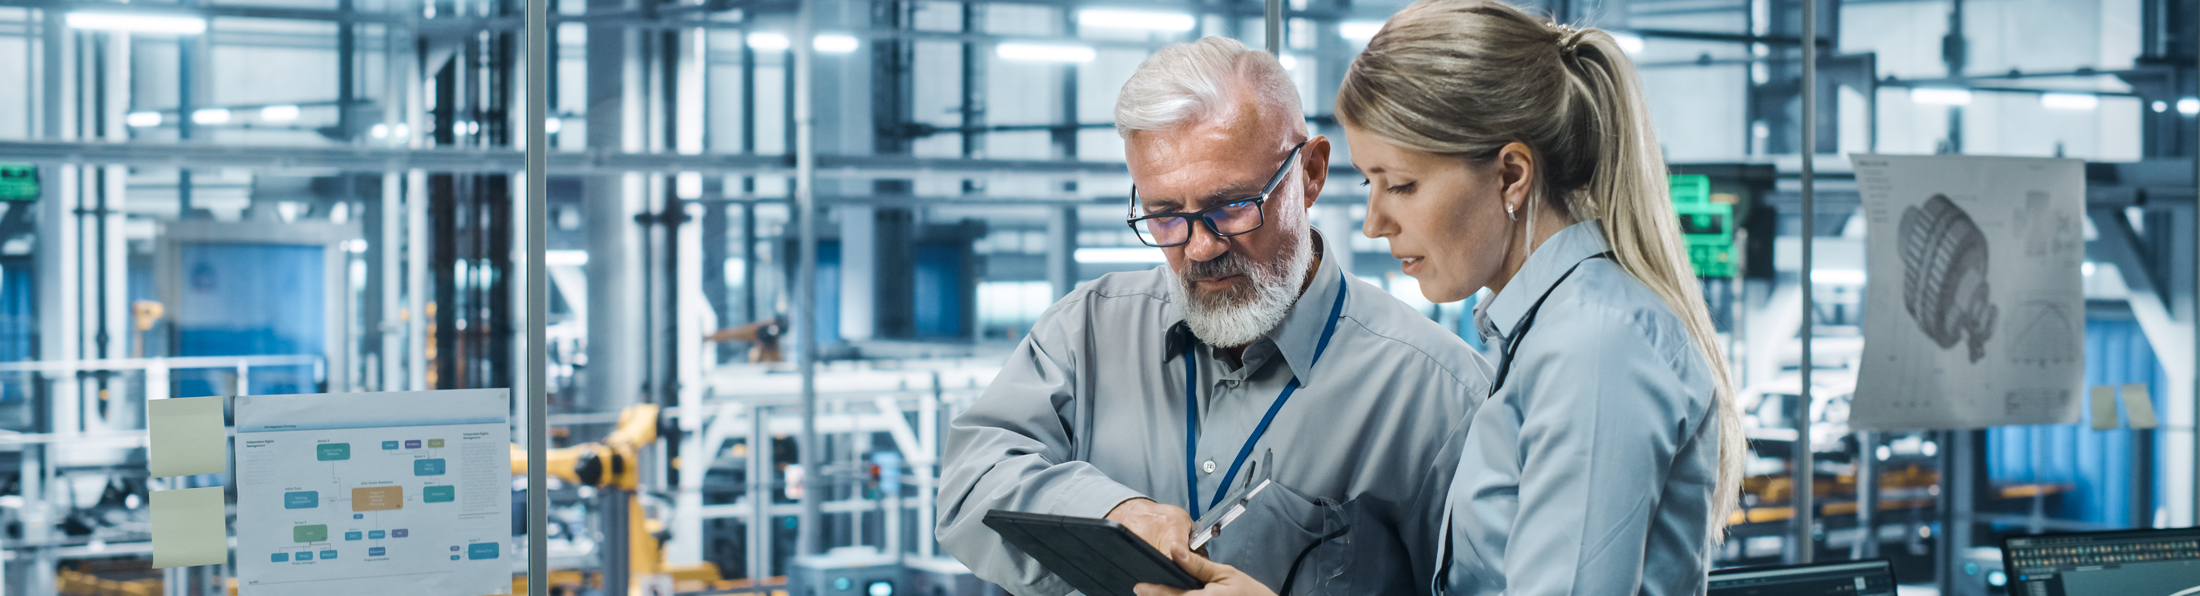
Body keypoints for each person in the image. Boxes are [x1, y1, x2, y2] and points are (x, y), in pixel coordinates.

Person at [1135, 1, 1745, 595]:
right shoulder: (1550, 331)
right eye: (1370, 183)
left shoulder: (1594, 342)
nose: (1375, 223)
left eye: (1401, 185)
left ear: (1511, 175)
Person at [936, 36, 1490, 596]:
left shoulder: (1440, 396)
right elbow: (973, 478)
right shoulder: (1086, 332)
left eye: (1230, 206)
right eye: (1165, 215)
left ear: (1311, 173)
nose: (1200, 247)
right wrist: (1119, 512)